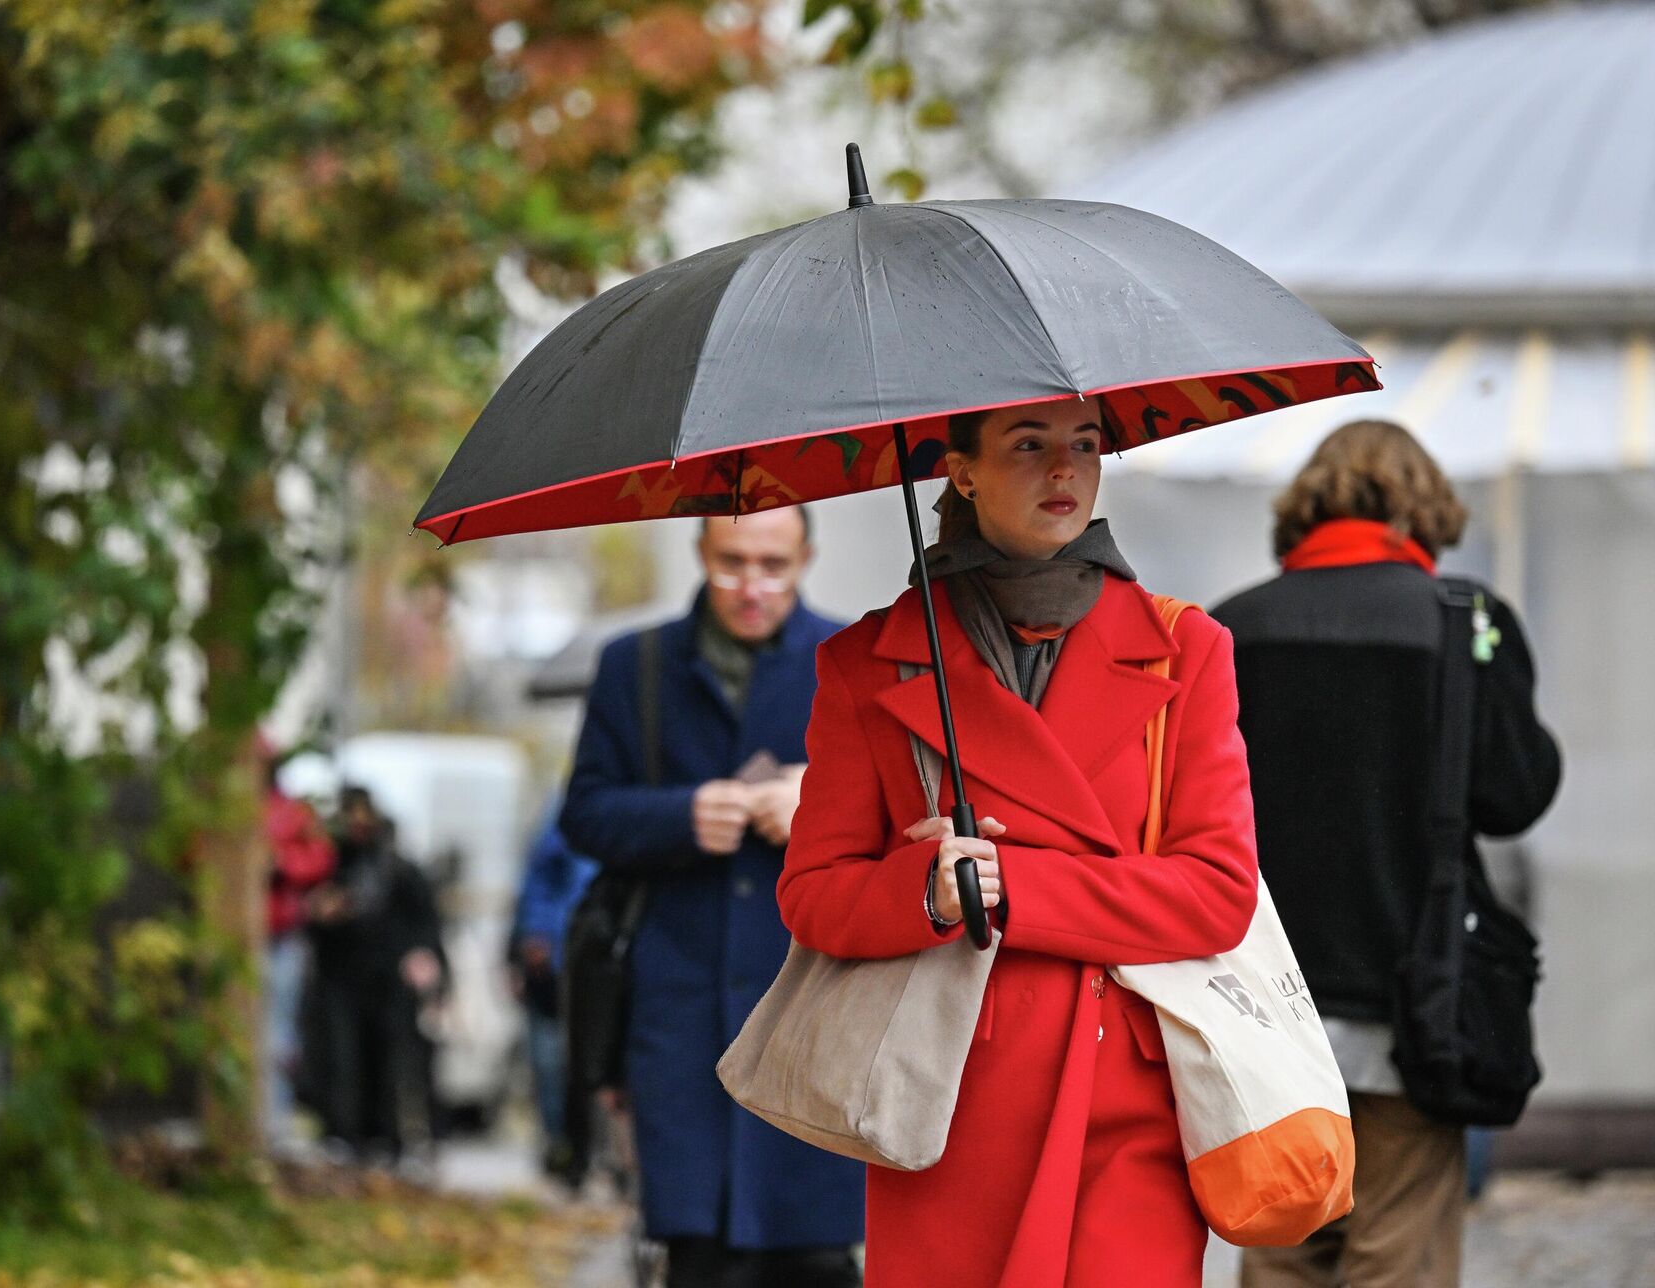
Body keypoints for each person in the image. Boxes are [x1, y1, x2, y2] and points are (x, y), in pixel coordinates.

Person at [778, 399, 1261, 1288]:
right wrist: (925, 890)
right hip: (952, 1098)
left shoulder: (1184, 648)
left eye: (1085, 444)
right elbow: (812, 894)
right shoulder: (868, 662)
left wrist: (1016, 884)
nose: (1065, 469)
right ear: (962, 472)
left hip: (1130, 1105)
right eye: (1030, 445)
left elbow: (1218, 893)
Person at [1216, 420, 1560, 1288]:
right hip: (1416, 1001)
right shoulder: (1462, 624)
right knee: (1398, 1257)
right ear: (1425, 508)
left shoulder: (1229, 629)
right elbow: (1515, 797)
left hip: (1264, 1006)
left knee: (1282, 1252)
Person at [561, 506, 865, 1288]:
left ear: (806, 560)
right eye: (732, 563)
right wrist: (681, 815)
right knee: (698, 1254)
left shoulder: (852, 660)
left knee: (816, 1256)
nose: (751, 586)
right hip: (679, 1010)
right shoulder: (636, 665)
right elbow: (583, 813)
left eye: (773, 566)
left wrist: (820, 801)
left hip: (811, 1007)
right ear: (701, 553)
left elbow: (912, 820)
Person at [305, 785, 448, 1169]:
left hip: (389, 983)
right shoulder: (332, 868)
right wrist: (324, 915)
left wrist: (424, 961)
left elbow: (426, 926)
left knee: (390, 1063)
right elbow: (314, 922)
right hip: (342, 980)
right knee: (344, 1059)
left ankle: (387, 1138)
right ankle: (346, 1135)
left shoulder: (398, 870)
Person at [506, 809, 598, 1181]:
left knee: (586, 1066)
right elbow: (538, 880)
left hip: (596, 956)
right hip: (561, 961)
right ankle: (563, 1146)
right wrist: (536, 934)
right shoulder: (568, 814)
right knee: (553, 1062)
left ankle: (585, 1151)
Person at [261, 747, 336, 1155]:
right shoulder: (227, 810)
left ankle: (275, 1117)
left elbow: (320, 858)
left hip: (282, 937)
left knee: (280, 1033)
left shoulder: (291, 812)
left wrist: (281, 865)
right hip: (237, 939)